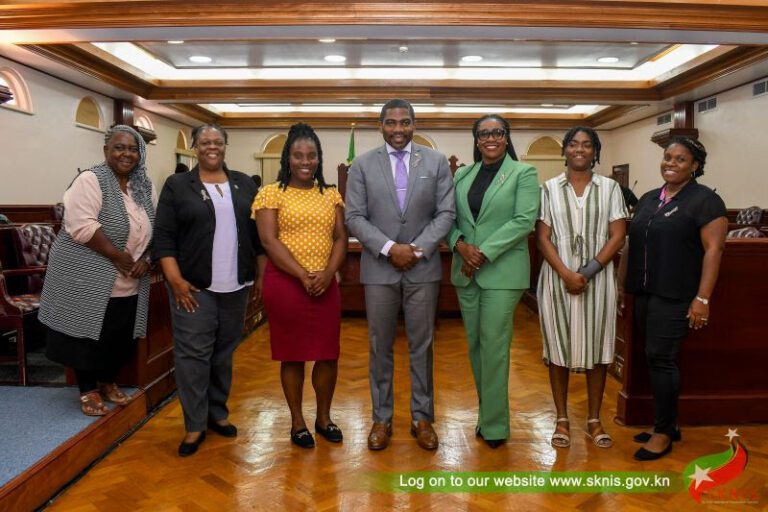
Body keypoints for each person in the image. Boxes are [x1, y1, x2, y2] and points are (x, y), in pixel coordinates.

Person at [345, 98, 455, 451]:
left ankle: (422, 418)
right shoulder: (362, 165)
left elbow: (446, 213)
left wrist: (416, 249)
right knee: (380, 346)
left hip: (423, 269)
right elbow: (354, 216)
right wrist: (391, 248)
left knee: (422, 346)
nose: (398, 129)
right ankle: (382, 417)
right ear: (381, 126)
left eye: (404, 122)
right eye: (391, 122)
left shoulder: (436, 161)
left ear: (414, 124)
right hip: (379, 269)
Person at [154, 123, 266, 457]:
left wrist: (260, 279)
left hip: (236, 286)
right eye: (205, 142)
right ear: (195, 147)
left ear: (225, 146)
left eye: (218, 141)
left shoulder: (244, 183)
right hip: (193, 287)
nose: (212, 146)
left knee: (223, 353)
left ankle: (217, 412)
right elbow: (164, 237)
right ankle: (194, 424)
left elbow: (258, 238)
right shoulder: (177, 185)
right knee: (193, 356)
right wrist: (176, 281)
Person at [622, 137, 727, 461]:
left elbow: (714, 250)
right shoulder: (649, 198)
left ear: (695, 165)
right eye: (668, 157)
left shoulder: (706, 201)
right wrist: (621, 288)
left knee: (661, 358)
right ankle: (668, 424)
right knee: (653, 358)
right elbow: (631, 242)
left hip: (676, 294)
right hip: (645, 292)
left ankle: (664, 432)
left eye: (680, 159)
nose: (671, 163)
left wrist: (702, 299)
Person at [39, 125, 155, 416]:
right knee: (85, 333)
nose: (126, 154)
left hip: (129, 276)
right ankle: (87, 389)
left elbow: (156, 225)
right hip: (85, 272)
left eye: (132, 149)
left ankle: (107, 381)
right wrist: (117, 256)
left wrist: (147, 257)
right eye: (119, 147)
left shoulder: (144, 186)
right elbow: (81, 225)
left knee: (118, 333)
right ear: (106, 151)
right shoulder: (90, 180)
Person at [446, 114, 539, 448]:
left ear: (506, 137)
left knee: (495, 347)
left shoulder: (523, 173)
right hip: (466, 272)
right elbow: (449, 217)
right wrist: (459, 244)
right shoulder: (462, 174)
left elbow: (524, 221)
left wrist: (481, 253)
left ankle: (496, 426)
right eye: (483, 133)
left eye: (497, 132)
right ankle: (487, 415)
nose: (490, 138)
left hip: (502, 272)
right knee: (475, 347)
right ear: (476, 139)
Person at [253, 123, 347, 448]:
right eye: (298, 155)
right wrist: (303, 274)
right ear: (287, 158)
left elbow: (340, 238)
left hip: (325, 283)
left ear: (319, 158)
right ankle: (297, 422)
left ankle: (324, 418)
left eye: (311, 155)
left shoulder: (330, 194)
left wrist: (328, 273)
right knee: (292, 356)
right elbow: (269, 240)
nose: (305, 161)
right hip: (286, 284)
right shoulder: (270, 193)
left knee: (328, 354)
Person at [536, 127, 627, 450]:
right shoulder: (548, 189)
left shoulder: (610, 188)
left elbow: (618, 235)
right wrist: (566, 274)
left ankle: (593, 419)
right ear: (565, 150)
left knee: (599, 349)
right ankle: (561, 418)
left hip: (597, 280)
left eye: (587, 145)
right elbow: (543, 237)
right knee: (557, 349)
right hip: (556, 279)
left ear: (595, 152)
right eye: (573, 144)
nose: (580, 149)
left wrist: (587, 272)